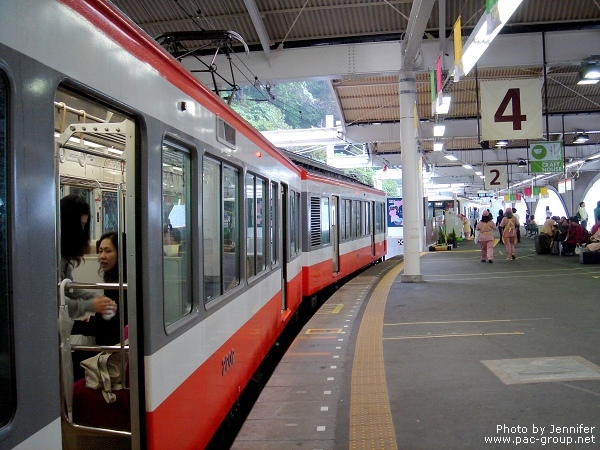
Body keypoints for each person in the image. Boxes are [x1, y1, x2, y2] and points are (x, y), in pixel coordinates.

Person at [60, 195, 115, 319]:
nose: (82, 230)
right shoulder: (51, 256)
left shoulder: (63, 257)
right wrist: (89, 305)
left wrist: (96, 299)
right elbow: (53, 301)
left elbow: (70, 288)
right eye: (81, 224)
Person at [72, 231, 127, 346]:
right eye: (100, 251)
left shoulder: (121, 286)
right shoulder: (114, 279)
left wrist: (69, 326)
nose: (102, 256)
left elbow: (106, 327)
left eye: (108, 251)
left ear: (121, 253)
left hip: (112, 350)